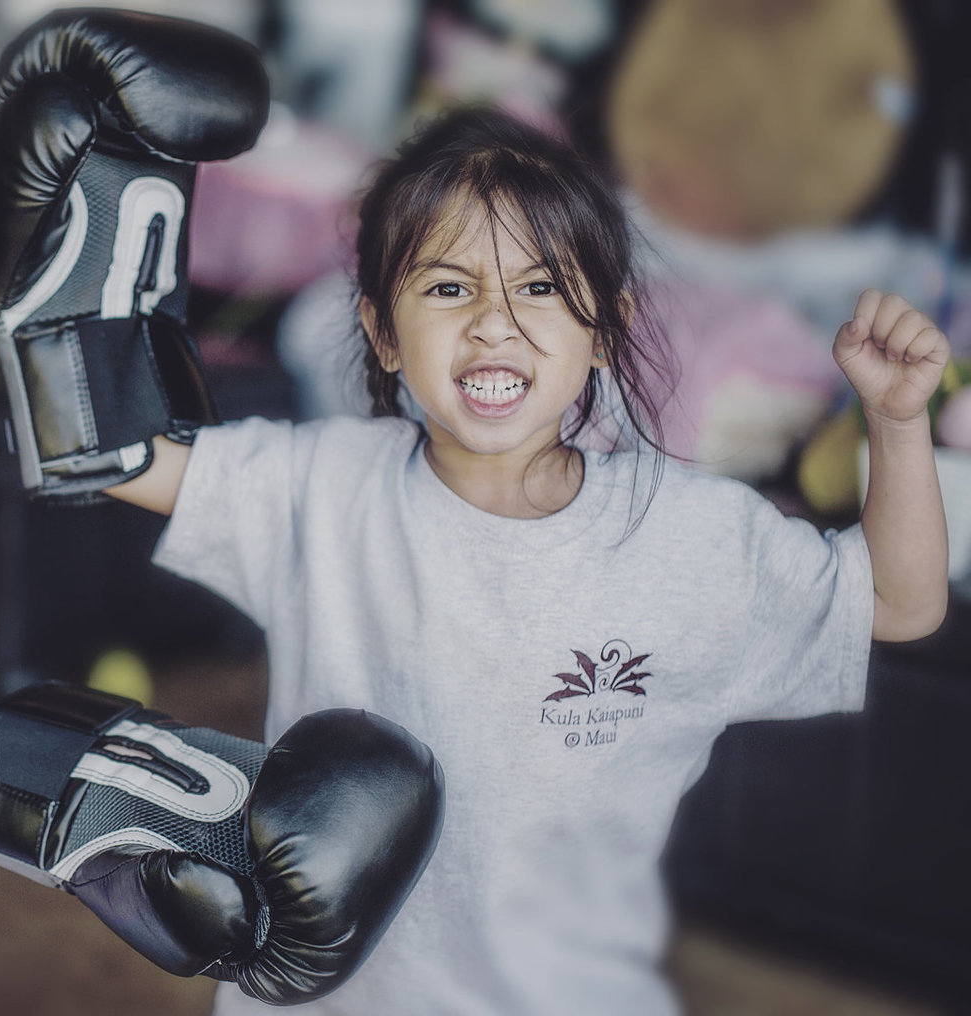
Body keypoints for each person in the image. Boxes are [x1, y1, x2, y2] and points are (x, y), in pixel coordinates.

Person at [97, 109, 951, 1014]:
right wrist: (94, 181)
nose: (495, 325)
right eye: (449, 289)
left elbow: (898, 601)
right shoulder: (319, 485)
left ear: (606, 331)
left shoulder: (694, 536)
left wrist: (897, 421)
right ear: (384, 332)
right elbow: (115, 452)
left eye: (540, 287)